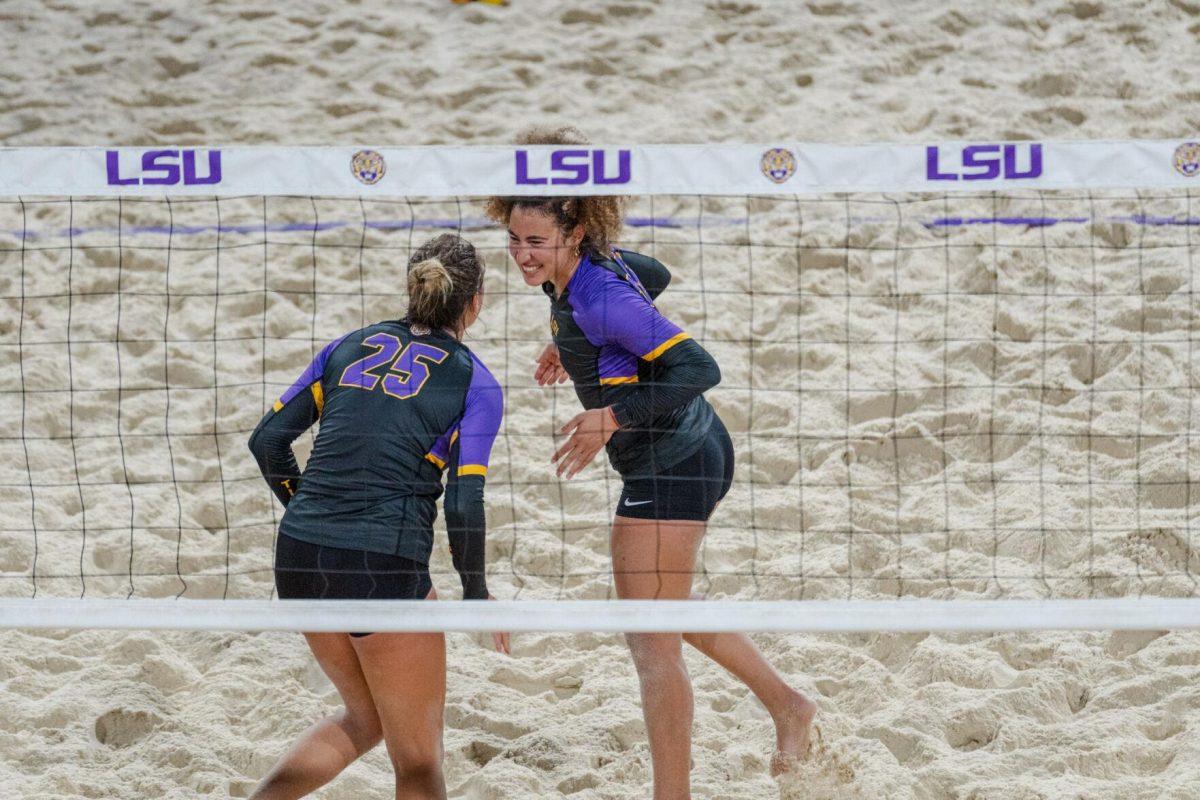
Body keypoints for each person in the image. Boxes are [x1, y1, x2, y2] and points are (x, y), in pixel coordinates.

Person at [486, 127, 817, 799]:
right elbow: (653, 277)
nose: (522, 256)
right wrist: (574, 348)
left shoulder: (600, 294)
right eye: (514, 240)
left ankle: (680, 790)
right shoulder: (585, 274)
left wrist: (610, 412)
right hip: (683, 450)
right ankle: (788, 706)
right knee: (662, 613)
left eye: (536, 243)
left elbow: (699, 365)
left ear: (574, 232)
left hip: (677, 458)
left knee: (650, 638)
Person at [247, 233, 507, 800]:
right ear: (475, 302)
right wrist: (477, 590)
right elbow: (464, 502)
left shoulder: (347, 347)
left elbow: (267, 441)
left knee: (365, 720)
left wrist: (314, 509)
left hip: (299, 555)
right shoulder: (476, 382)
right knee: (418, 762)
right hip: (380, 566)